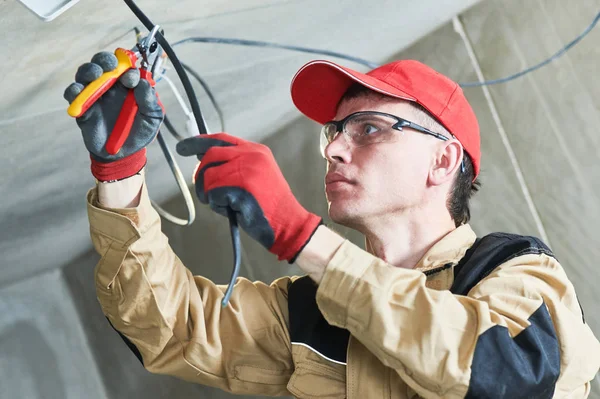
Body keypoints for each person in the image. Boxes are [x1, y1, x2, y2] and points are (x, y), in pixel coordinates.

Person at [64, 52, 600, 398]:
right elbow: (173, 329)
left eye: (369, 128)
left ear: (443, 161)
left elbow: (505, 374)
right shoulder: (308, 311)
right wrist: (119, 175)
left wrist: (302, 236)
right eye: (334, 132)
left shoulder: (517, 273)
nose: (336, 148)